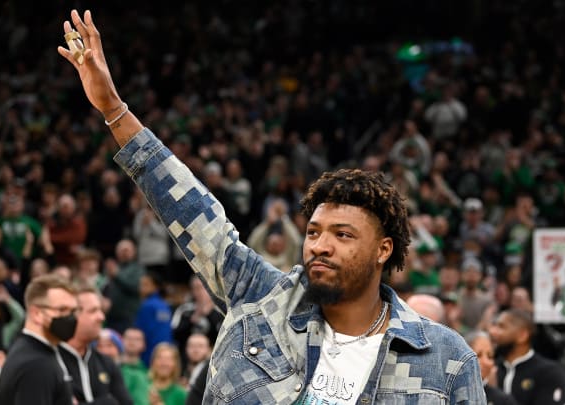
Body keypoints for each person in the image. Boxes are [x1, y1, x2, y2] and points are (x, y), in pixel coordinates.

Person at [57, 9, 485, 404]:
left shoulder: (446, 362)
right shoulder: (260, 298)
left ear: (384, 249)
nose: (319, 245)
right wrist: (114, 109)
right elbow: (191, 212)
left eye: (343, 235)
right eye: (314, 232)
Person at [0, 274, 78, 405]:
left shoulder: (30, 350)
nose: (71, 318)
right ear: (37, 314)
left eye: (73, 311)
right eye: (62, 310)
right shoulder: (36, 364)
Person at [58, 285, 133, 404]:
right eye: (93, 311)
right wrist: (107, 402)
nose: (101, 317)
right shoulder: (51, 361)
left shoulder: (106, 363)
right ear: (72, 315)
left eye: (101, 311)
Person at [489, 309, 565, 405]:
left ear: (522, 335)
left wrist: (495, 394)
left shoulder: (549, 372)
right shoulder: (491, 369)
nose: (492, 332)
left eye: (501, 327)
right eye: (495, 326)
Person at [95, 328, 150, 405]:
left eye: (110, 345)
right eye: (99, 346)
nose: (105, 350)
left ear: (118, 349)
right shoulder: (87, 372)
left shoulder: (135, 375)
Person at [466, 331, 518, 405]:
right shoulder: (448, 396)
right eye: (479, 355)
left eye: (490, 356)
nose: (486, 362)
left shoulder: (503, 401)